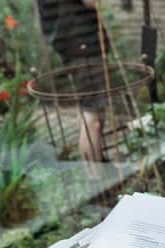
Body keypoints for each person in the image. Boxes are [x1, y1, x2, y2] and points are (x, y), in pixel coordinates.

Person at [37, 0, 110, 161]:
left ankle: (94, 171)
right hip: (83, 43)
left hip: (68, 42)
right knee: (93, 118)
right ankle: (95, 178)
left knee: (86, 108)